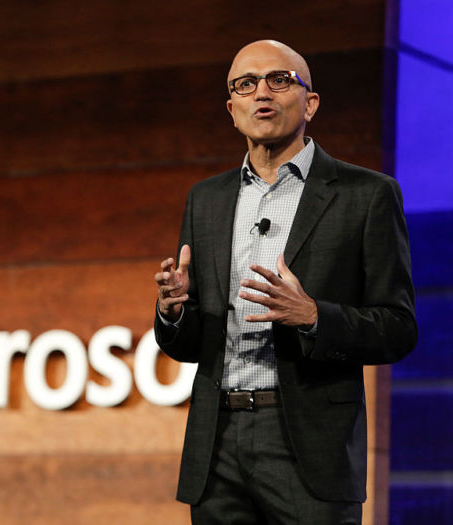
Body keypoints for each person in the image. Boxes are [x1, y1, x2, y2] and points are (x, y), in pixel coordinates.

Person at [153, 40, 417, 525]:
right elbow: (192, 345)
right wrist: (172, 312)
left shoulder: (368, 195)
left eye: (280, 80)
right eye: (246, 84)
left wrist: (315, 317)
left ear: (310, 103)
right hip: (218, 442)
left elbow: (398, 328)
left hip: (308, 443)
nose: (262, 94)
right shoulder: (206, 200)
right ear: (232, 109)